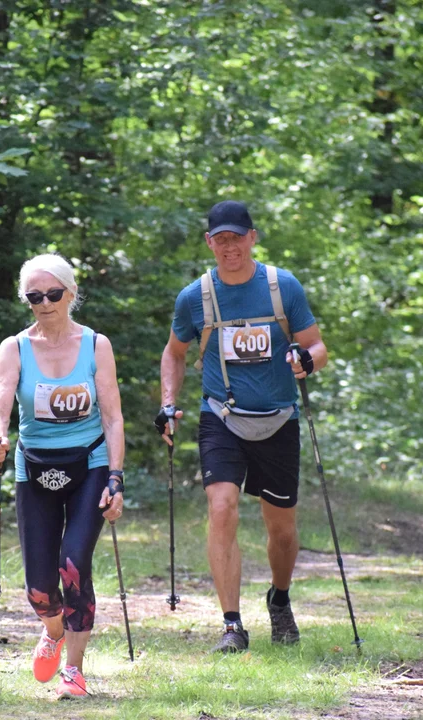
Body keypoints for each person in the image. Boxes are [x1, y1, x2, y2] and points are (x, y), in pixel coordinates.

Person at [156, 200, 327, 653]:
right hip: (222, 417)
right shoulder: (195, 296)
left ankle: (280, 598)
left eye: (237, 237)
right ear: (209, 243)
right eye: (221, 239)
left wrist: (306, 360)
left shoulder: (281, 287)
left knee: (282, 530)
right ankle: (232, 624)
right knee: (221, 507)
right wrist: (168, 405)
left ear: (253, 237)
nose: (229, 247)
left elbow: (316, 345)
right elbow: (174, 353)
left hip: (278, 418)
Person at [0, 253, 125, 698]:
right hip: (35, 468)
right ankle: (53, 629)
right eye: (34, 296)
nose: (44, 303)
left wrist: (116, 478)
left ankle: (74, 671)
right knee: (41, 589)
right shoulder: (16, 347)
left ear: (70, 293)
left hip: (89, 465)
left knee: (73, 565)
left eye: (52, 294)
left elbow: (113, 416)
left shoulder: (96, 344)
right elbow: (0, 400)